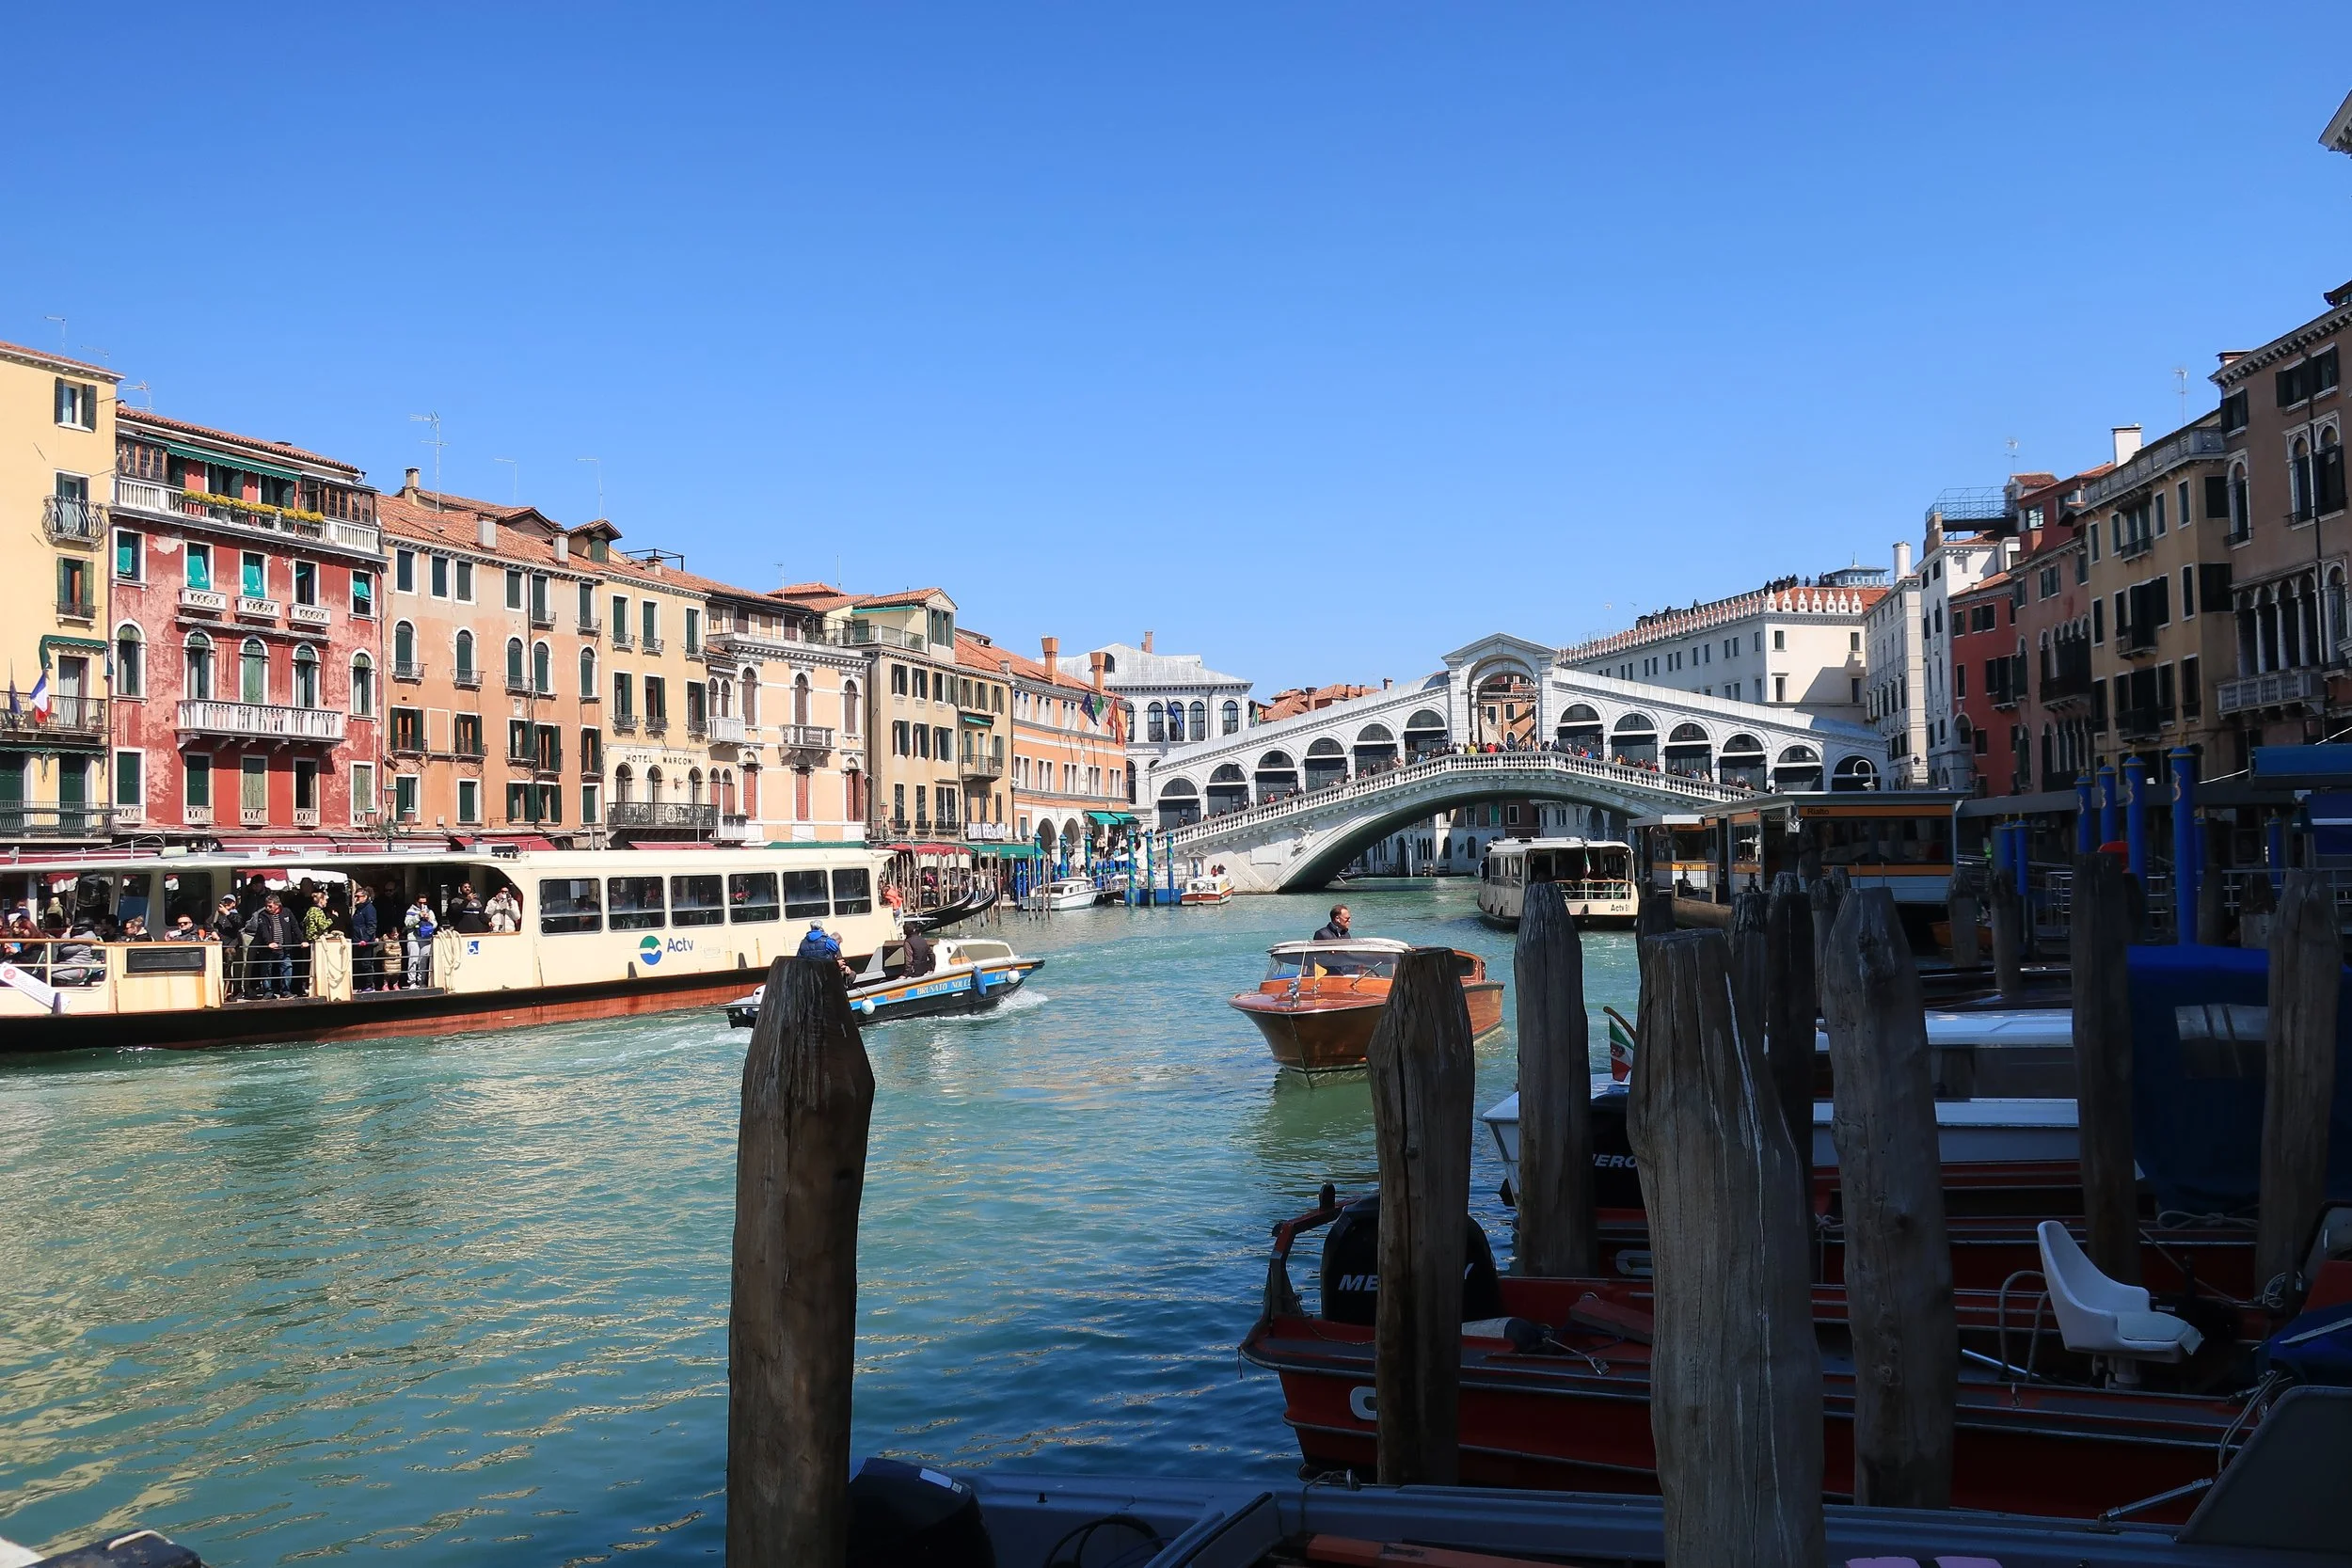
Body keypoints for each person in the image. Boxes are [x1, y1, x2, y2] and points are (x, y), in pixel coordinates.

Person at [250, 893, 294, 998]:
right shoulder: (263, 915)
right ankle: (268, 992)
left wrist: (302, 940)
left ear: (277, 905)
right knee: (266, 969)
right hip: (268, 949)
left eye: (270, 906)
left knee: (287, 968)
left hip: (284, 947)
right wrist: (269, 942)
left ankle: (286, 991)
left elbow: (295, 926)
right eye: (266, 905)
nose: (267, 908)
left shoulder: (287, 912)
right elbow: (263, 930)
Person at [404, 895, 437, 988]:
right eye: (420, 902)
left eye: (424, 903)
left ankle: (421, 981)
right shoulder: (410, 911)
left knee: (423, 960)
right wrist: (418, 916)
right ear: (416, 902)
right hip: (413, 938)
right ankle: (412, 982)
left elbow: (435, 924)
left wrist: (428, 920)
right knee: (413, 960)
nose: (422, 904)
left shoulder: (429, 911)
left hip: (426, 938)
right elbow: (408, 924)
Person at [350, 886, 379, 990]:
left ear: (365, 897)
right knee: (358, 964)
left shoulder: (369, 909)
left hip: (365, 942)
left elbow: (372, 926)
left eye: (358, 896)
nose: (356, 898)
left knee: (366, 964)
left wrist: (365, 939)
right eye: (355, 896)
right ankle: (360, 985)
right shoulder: (358, 909)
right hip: (357, 941)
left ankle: (369, 985)